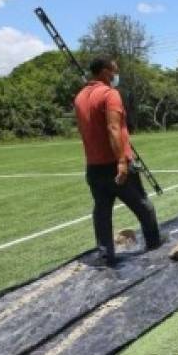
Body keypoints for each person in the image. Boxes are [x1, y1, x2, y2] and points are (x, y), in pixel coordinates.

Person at [74, 57, 162, 266]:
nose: (116, 75)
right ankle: (154, 244)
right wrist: (122, 162)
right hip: (114, 164)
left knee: (102, 212)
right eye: (114, 70)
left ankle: (106, 255)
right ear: (105, 72)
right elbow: (113, 128)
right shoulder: (109, 94)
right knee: (143, 206)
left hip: (93, 167)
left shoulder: (79, 97)